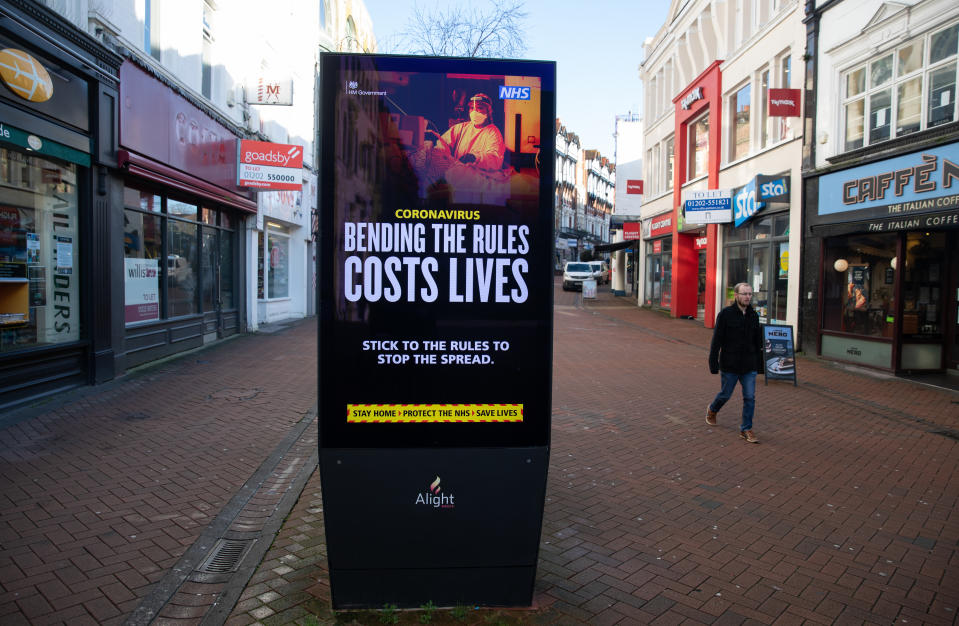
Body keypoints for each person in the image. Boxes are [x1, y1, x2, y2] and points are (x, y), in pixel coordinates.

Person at [705, 282, 764, 443]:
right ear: (736, 295)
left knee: (750, 397)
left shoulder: (754, 315)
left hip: (748, 364)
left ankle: (746, 429)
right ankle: (713, 409)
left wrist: (759, 364)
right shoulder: (725, 314)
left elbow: (757, 342)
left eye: (750, 294)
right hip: (730, 363)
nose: (748, 297)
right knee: (725, 394)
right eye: (744, 294)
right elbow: (716, 340)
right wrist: (713, 363)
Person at [429, 92, 505, 171]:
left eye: (480, 108)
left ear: (488, 111)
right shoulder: (460, 128)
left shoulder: (493, 133)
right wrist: (440, 155)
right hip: (456, 172)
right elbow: (442, 145)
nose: (475, 112)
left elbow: (495, 159)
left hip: (477, 176)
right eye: (472, 108)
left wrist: (475, 158)